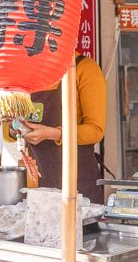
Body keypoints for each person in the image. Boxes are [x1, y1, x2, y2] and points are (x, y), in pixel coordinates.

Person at [6, 52, 106, 204]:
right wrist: (16, 128)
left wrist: (52, 134)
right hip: (38, 181)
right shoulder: (28, 72)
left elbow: (95, 130)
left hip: (77, 182)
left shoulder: (84, 69)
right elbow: (9, 132)